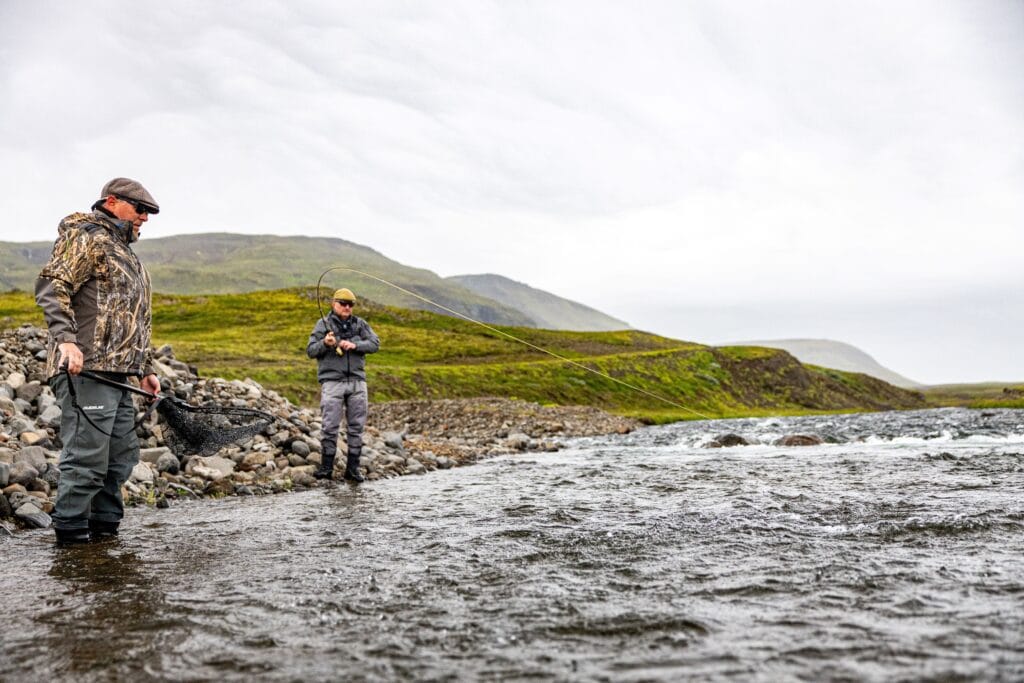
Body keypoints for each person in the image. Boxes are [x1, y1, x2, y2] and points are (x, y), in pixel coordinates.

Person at [35, 178, 161, 545]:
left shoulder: (125, 253)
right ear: (112, 202)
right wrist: (67, 342)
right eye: (140, 210)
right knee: (88, 457)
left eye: (149, 213)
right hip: (85, 369)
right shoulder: (85, 236)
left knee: (120, 459)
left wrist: (146, 369)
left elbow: (132, 317)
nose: (145, 218)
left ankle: (105, 537)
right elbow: (51, 287)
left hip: (121, 374)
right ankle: (71, 540)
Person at [306, 287, 380, 482]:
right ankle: (326, 469)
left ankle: (353, 470)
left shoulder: (360, 324)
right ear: (334, 304)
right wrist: (326, 343)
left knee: (356, 428)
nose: (347, 307)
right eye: (343, 303)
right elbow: (311, 350)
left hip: (357, 382)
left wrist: (355, 345)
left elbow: (375, 344)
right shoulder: (323, 324)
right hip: (332, 382)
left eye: (350, 304)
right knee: (330, 426)